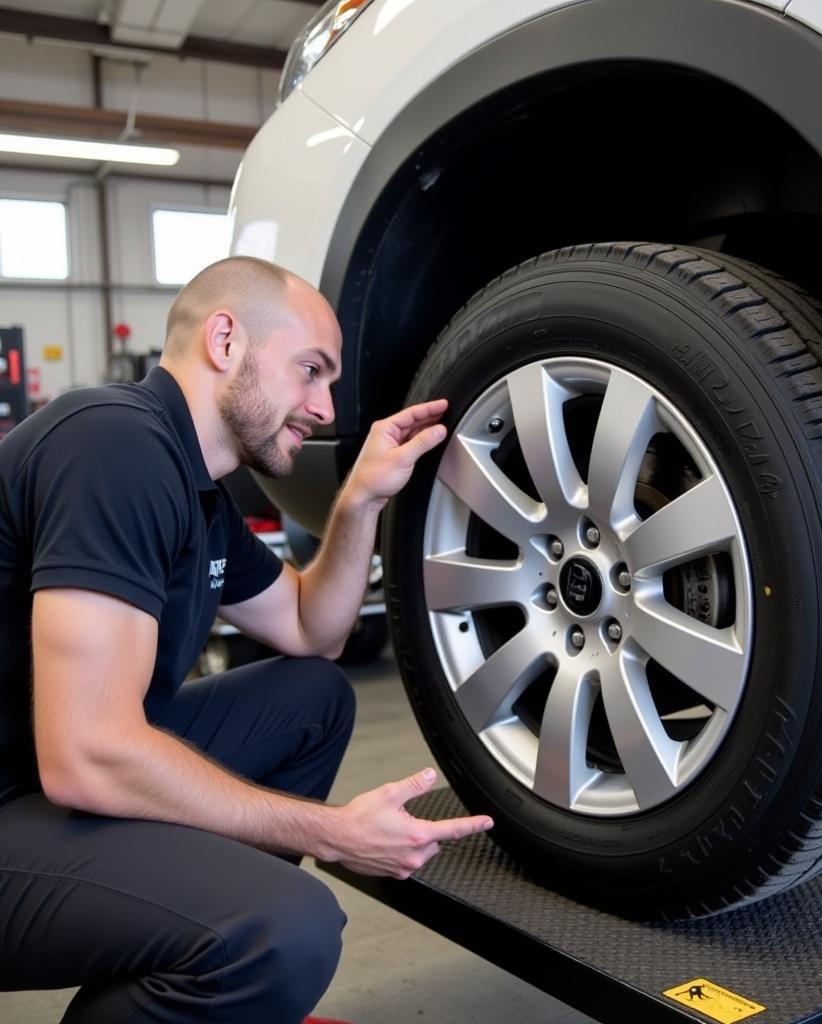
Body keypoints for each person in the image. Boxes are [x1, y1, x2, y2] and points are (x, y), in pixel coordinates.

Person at [0, 255, 493, 1023]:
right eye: (310, 371)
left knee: (310, 697)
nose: (325, 408)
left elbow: (310, 630)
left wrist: (360, 498)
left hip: (32, 778)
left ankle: (193, 985)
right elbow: (88, 753)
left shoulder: (196, 491)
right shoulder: (113, 445)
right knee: (285, 928)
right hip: (25, 794)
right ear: (226, 341)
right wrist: (331, 833)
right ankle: (229, 946)